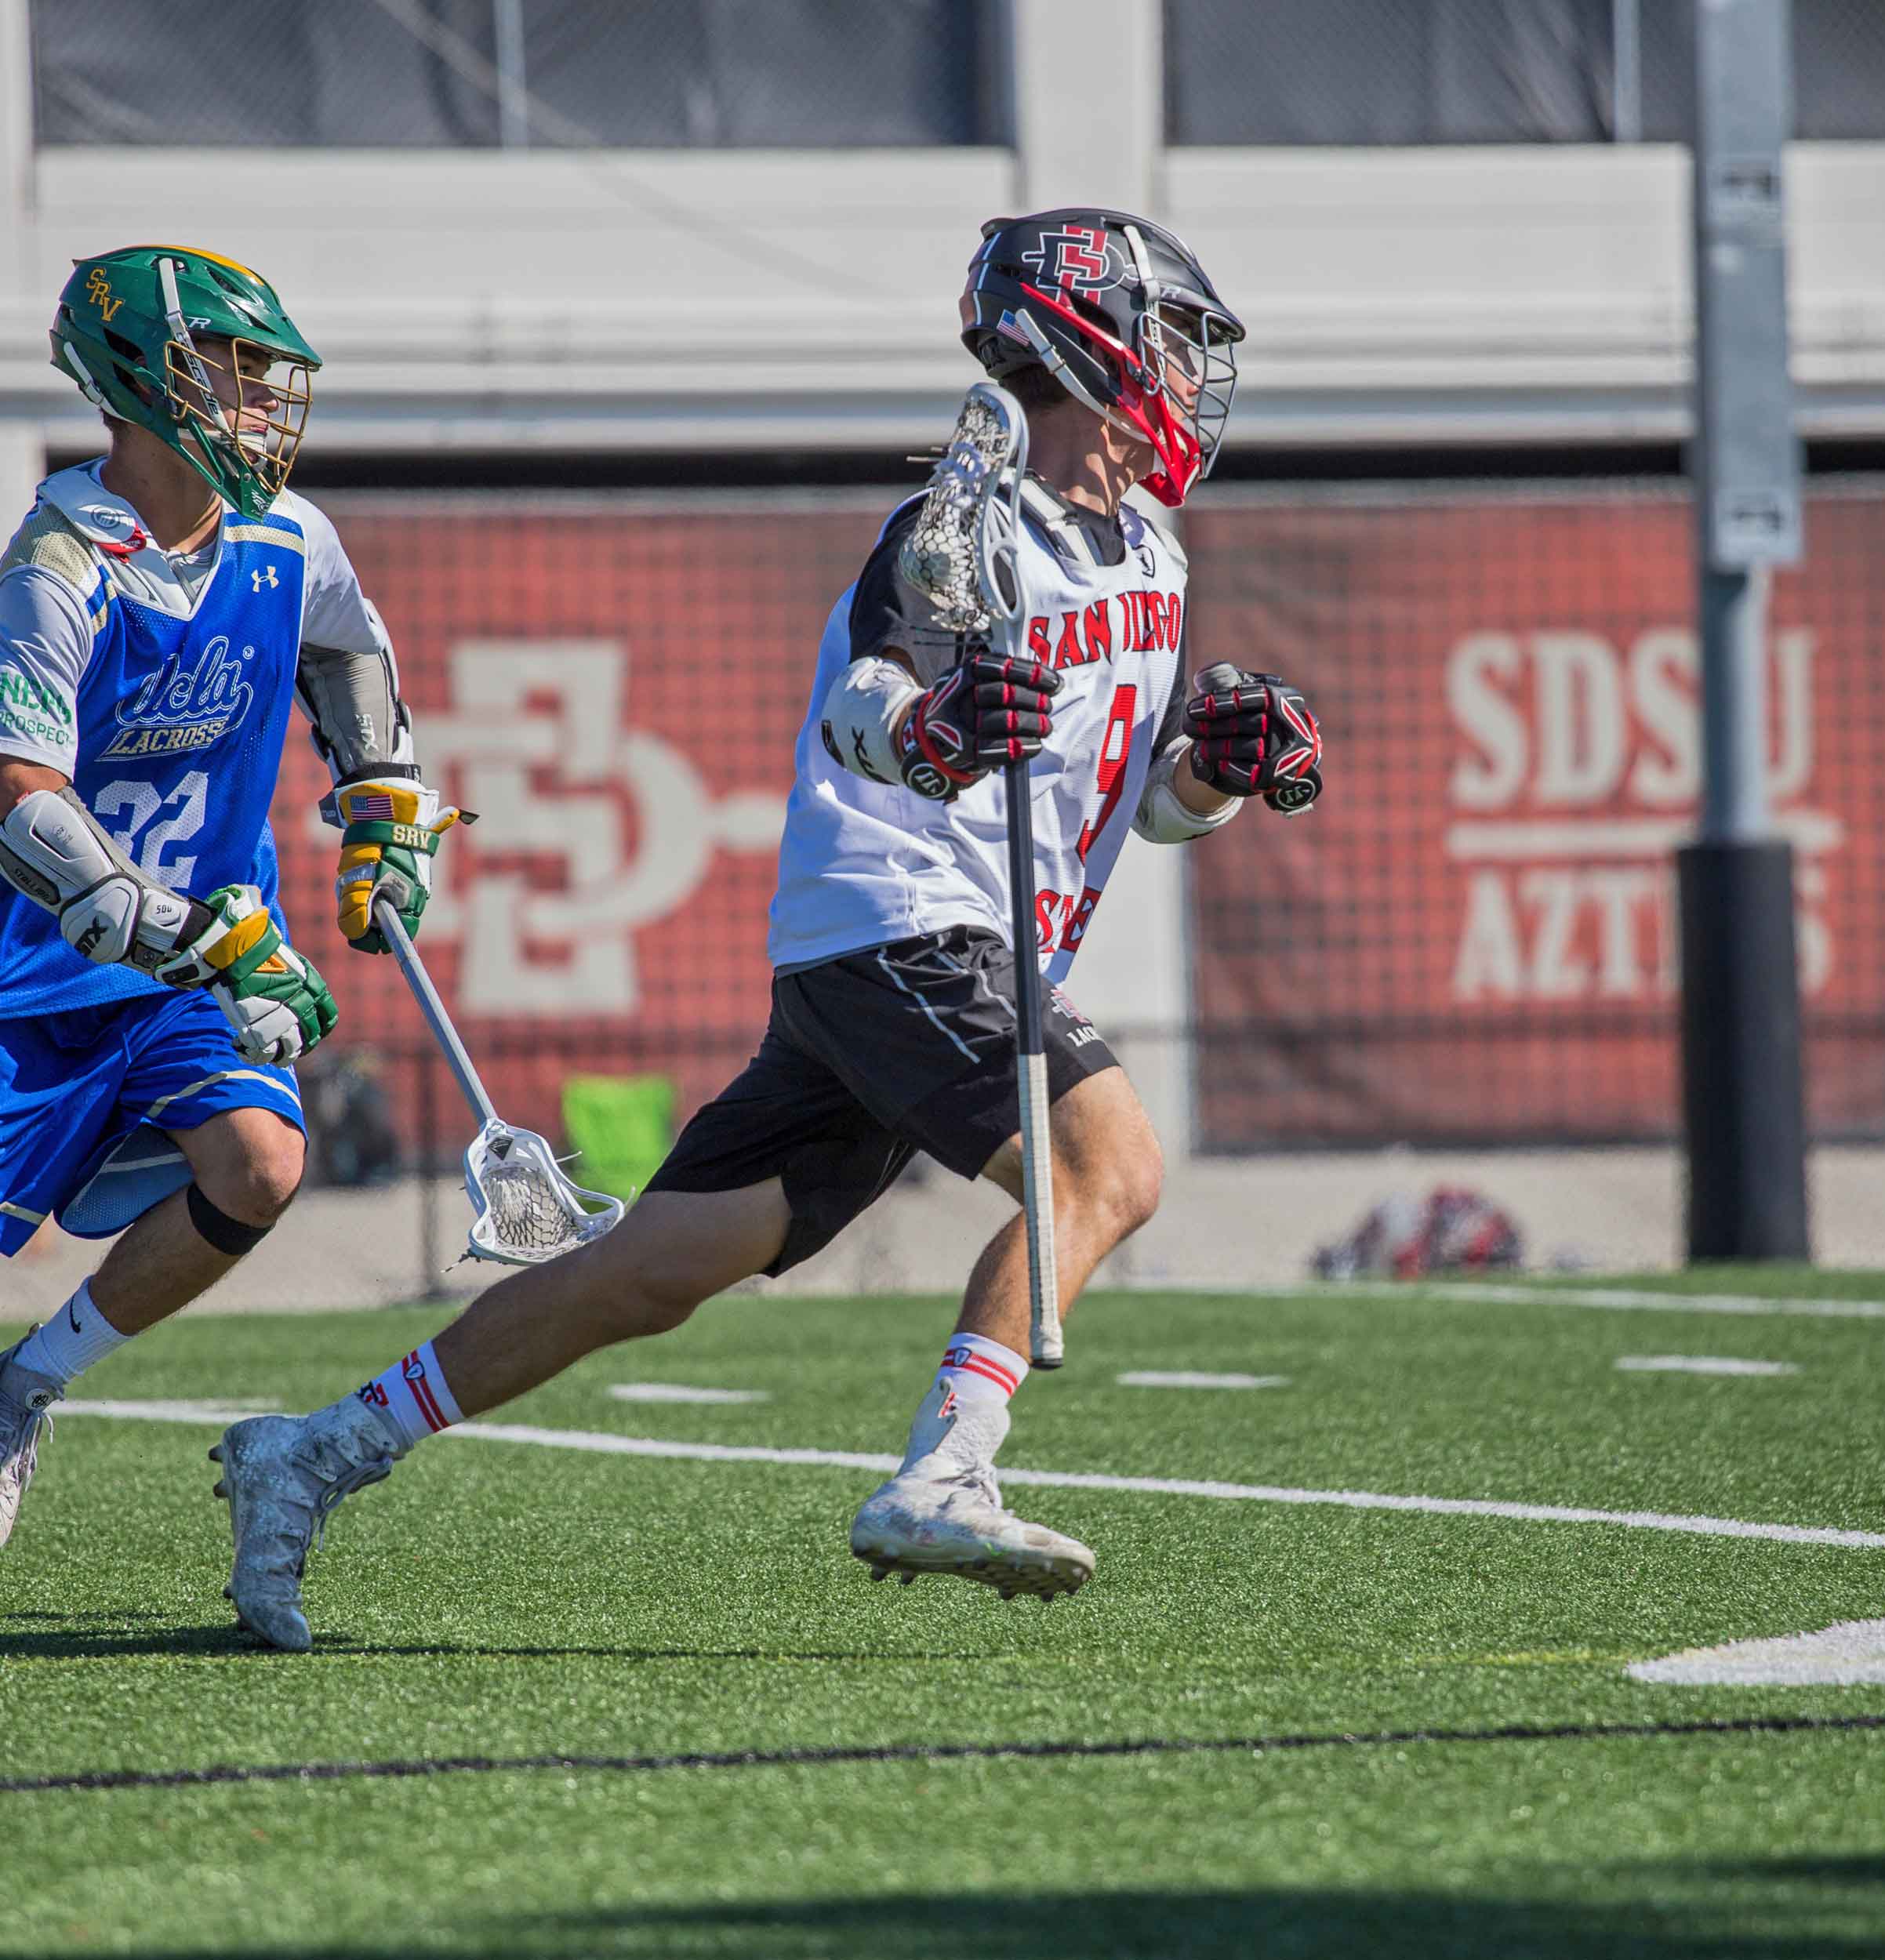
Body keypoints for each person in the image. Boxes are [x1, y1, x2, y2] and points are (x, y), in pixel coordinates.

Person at [212, 209, 1325, 1653]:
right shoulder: (969, 526)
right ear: (1090, 339)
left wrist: (1218, 777)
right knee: (1112, 1159)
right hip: (906, 927)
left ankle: (315, 1450)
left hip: (931, 950)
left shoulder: (1155, 559)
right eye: (1170, 339)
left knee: (654, 1272)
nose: (1185, 375)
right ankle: (948, 1466)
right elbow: (872, 702)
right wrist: (934, 732)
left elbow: (1134, 809)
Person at [0, 245, 457, 1550]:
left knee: (260, 1166)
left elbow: (356, 683)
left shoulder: (292, 538)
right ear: (142, 378)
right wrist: (170, 926)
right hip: (38, 966)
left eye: (268, 376)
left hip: (202, 958)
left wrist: (385, 819)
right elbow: (19, 784)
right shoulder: (64, 556)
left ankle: (26, 1386)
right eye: (234, 371)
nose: (264, 400)